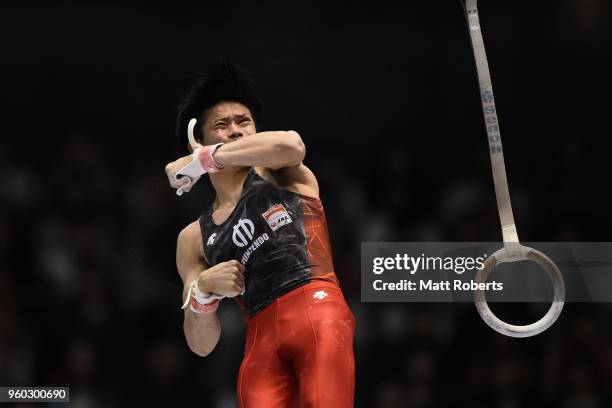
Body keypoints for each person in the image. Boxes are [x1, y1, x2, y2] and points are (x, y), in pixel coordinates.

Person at [165, 60, 356, 407]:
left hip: (316, 311)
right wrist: (204, 292)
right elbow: (201, 344)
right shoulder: (193, 238)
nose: (237, 130)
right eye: (222, 125)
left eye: (245, 122)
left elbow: (291, 144)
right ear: (197, 141)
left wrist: (207, 159)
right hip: (260, 340)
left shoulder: (278, 171)